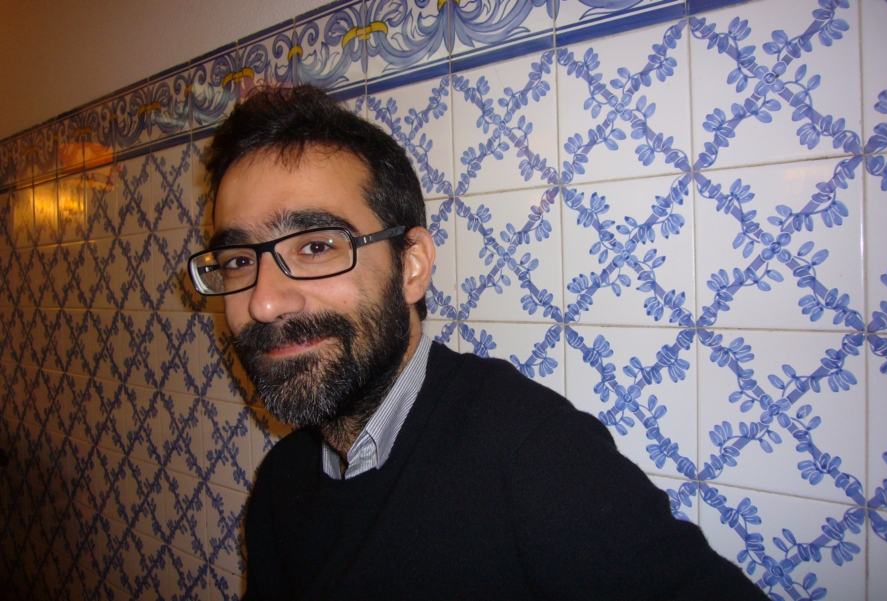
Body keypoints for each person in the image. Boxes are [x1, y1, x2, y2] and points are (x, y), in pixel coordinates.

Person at [188, 84, 768, 600]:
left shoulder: (534, 459)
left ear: (411, 266)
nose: (263, 302)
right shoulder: (282, 485)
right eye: (238, 260)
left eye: (316, 247)